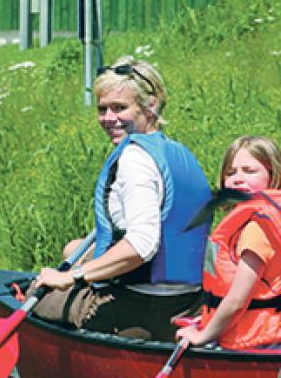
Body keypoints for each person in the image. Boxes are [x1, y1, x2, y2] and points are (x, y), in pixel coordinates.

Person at [32, 56, 211, 341]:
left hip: (141, 309)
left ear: (150, 106)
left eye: (119, 108)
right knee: (73, 249)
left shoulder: (135, 160)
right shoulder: (177, 152)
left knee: (35, 293)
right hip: (187, 301)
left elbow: (142, 245)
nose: (108, 119)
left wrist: (70, 278)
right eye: (102, 109)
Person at [176, 136, 281, 350]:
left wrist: (204, 335)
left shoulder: (257, 229)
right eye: (231, 172)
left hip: (266, 340)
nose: (237, 179)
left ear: (273, 176)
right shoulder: (280, 215)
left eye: (249, 171)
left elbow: (237, 300)